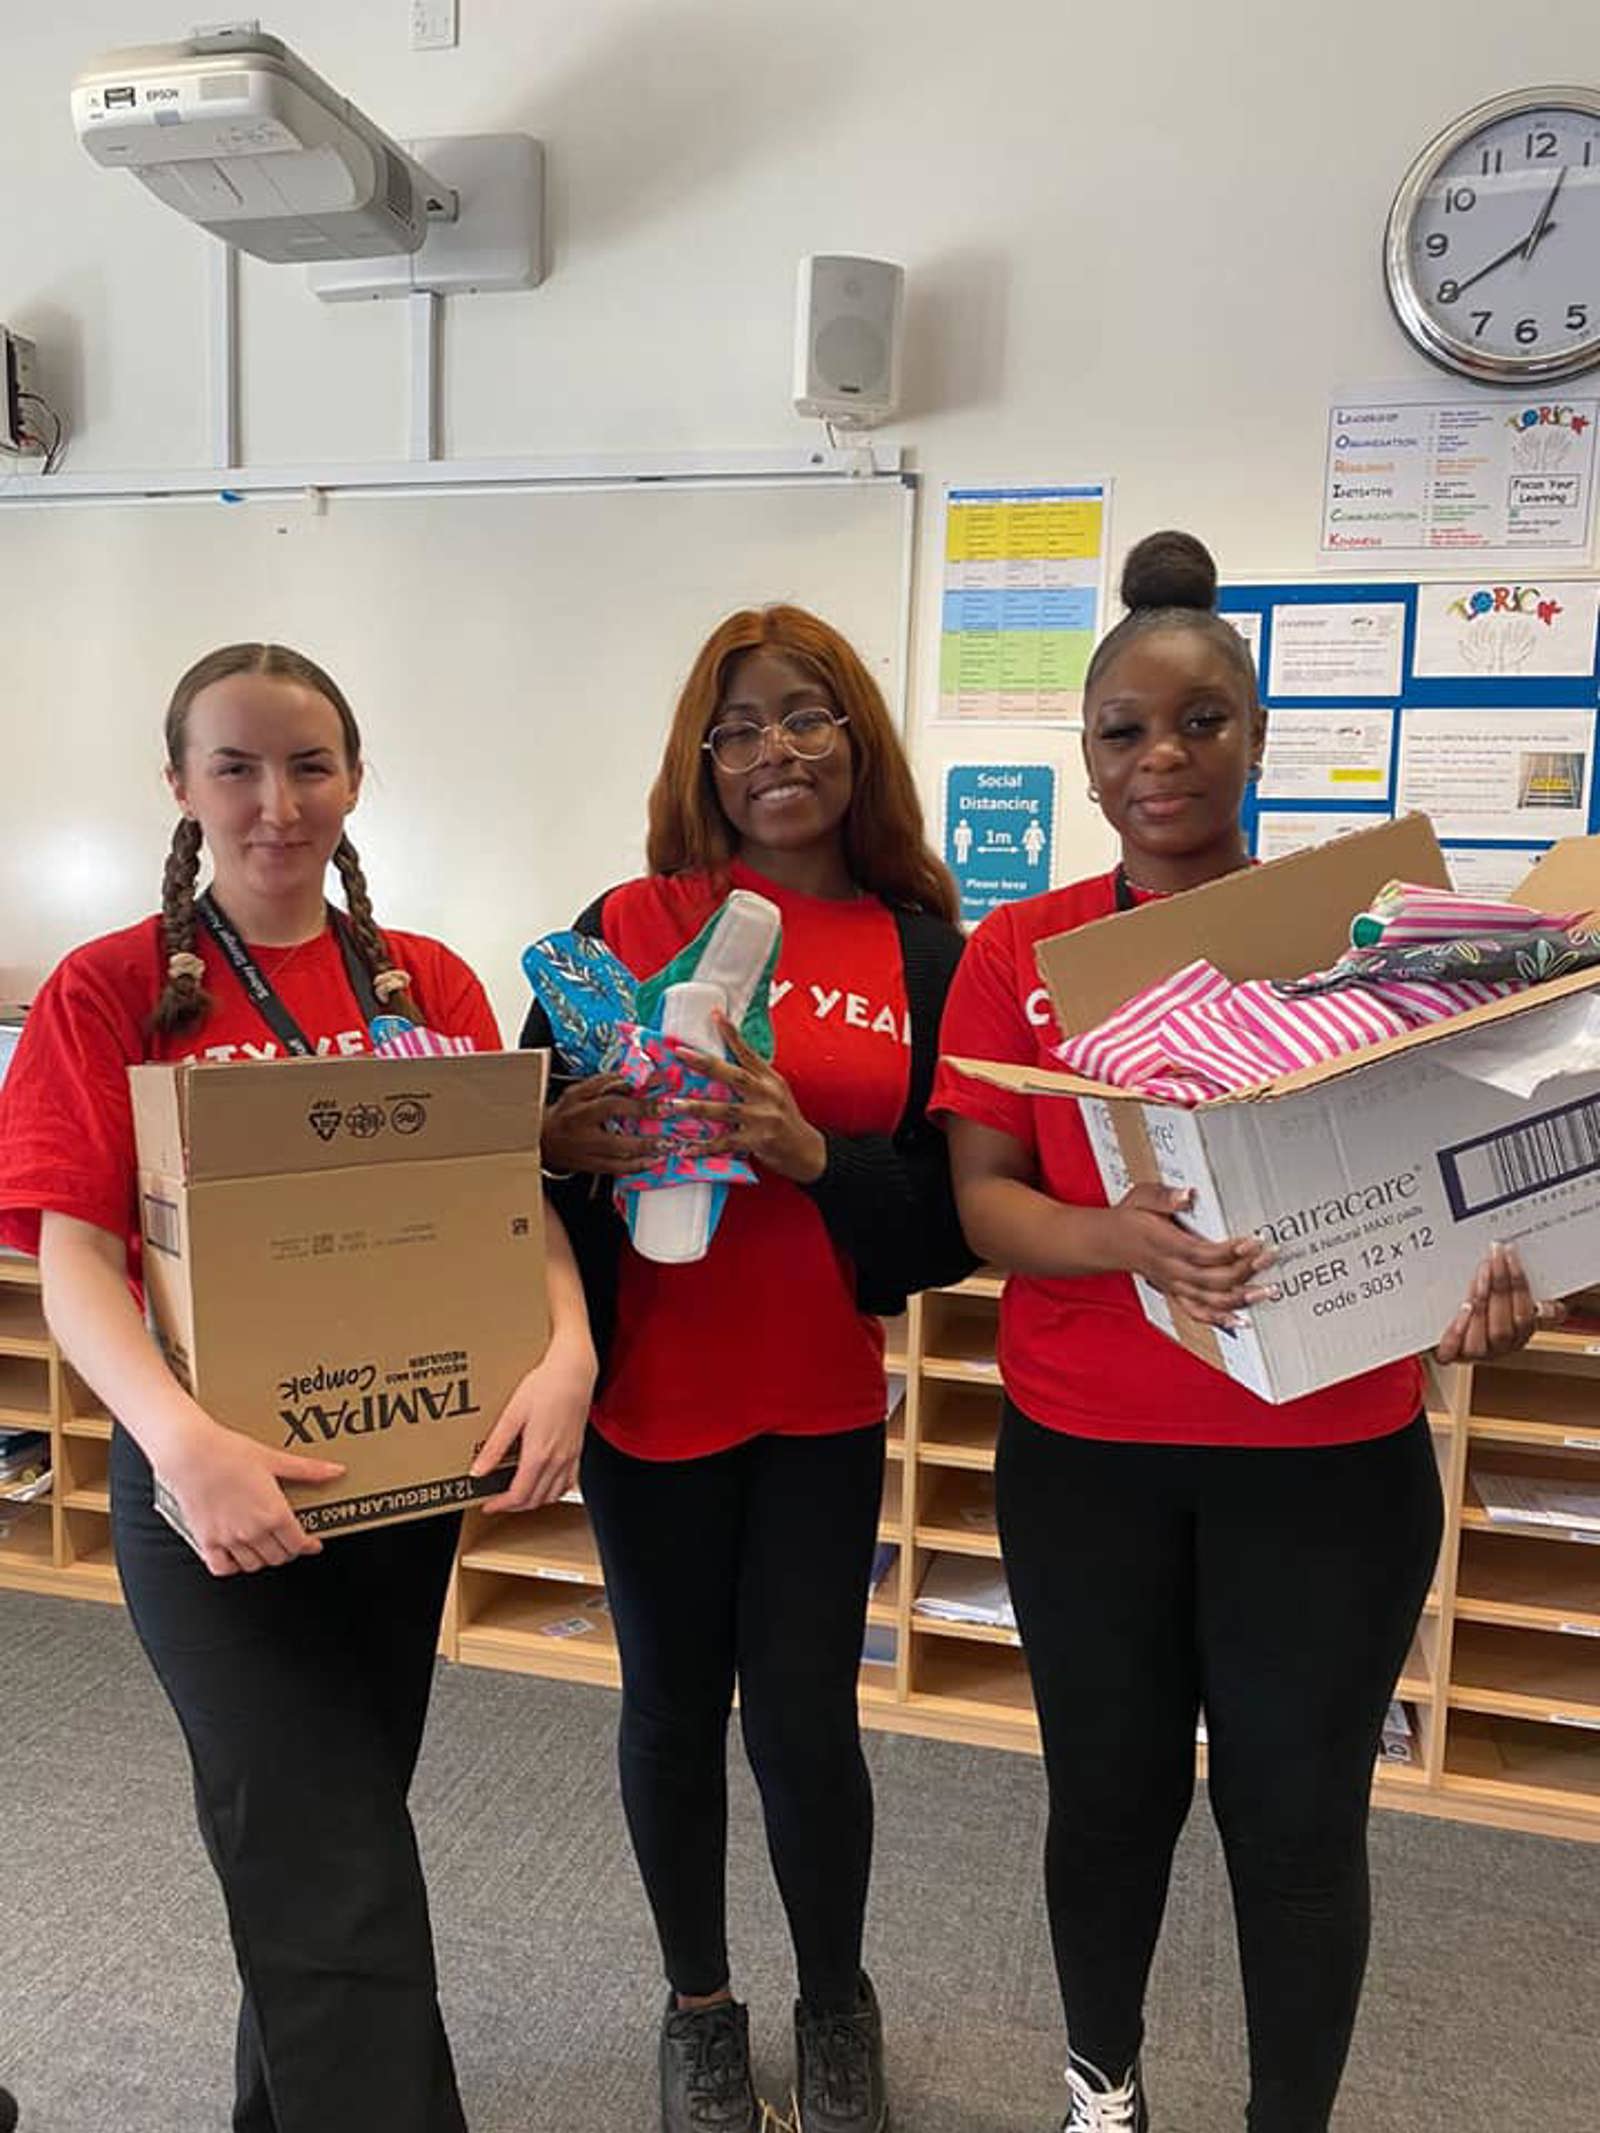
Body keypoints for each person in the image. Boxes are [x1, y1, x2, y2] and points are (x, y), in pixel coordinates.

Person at [932, 533, 1559, 2133]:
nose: (1165, 758)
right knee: (1110, 1801)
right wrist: (1117, 1241)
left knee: (1297, 1820)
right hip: (1091, 1460)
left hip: (1327, 1466)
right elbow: (986, 1200)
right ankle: (1105, 2088)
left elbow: (1454, 1182)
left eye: (1203, 721)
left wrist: (1486, 1290)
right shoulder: (1020, 955)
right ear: (1085, 760)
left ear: (1261, 737)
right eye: (1127, 731)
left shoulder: (1374, 936)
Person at [0, 644, 595, 2133]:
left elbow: (510, 1211)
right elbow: (75, 1264)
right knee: (335, 1875)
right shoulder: (110, 990)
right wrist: (184, 1443)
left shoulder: (430, 980)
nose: (279, 801)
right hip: (208, 1496)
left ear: (353, 774)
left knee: (319, 1848)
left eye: (310, 764)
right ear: (183, 785)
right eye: (238, 766)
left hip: (396, 1495)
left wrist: (570, 1350)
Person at [525, 605, 973, 2133]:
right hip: (652, 1402)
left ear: (858, 738)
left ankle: (834, 1995)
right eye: (740, 726)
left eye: (807, 715)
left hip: (823, 1402)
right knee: (668, 1709)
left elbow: (945, 1219)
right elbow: (521, 1143)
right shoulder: (626, 921)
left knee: (804, 1723)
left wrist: (812, 1151)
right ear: (700, 760)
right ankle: (699, 2004)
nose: (775, 749)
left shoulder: (923, 949)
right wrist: (562, 1139)